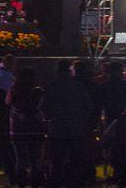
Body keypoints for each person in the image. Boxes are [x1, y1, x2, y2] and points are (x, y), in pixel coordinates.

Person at [39, 59, 94, 188]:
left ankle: (57, 182)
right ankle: (74, 182)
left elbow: (43, 107)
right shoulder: (78, 86)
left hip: (58, 128)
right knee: (75, 159)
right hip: (76, 129)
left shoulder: (52, 86)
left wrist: (50, 118)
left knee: (57, 160)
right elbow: (89, 107)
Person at [8, 67, 44, 188]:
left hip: (18, 130)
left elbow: (7, 103)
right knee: (35, 159)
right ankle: (35, 183)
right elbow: (42, 108)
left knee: (21, 159)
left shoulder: (14, 91)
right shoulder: (38, 92)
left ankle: (21, 184)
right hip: (35, 129)